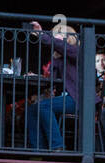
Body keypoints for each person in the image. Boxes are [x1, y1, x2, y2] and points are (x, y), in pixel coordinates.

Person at [25, 20, 81, 151]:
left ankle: (57, 146)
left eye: (59, 33)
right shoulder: (59, 58)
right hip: (65, 98)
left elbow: (61, 46)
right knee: (32, 109)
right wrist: (37, 77)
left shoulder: (76, 51)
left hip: (77, 99)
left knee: (44, 107)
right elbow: (52, 79)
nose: (56, 36)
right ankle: (38, 149)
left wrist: (41, 34)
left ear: (70, 37)